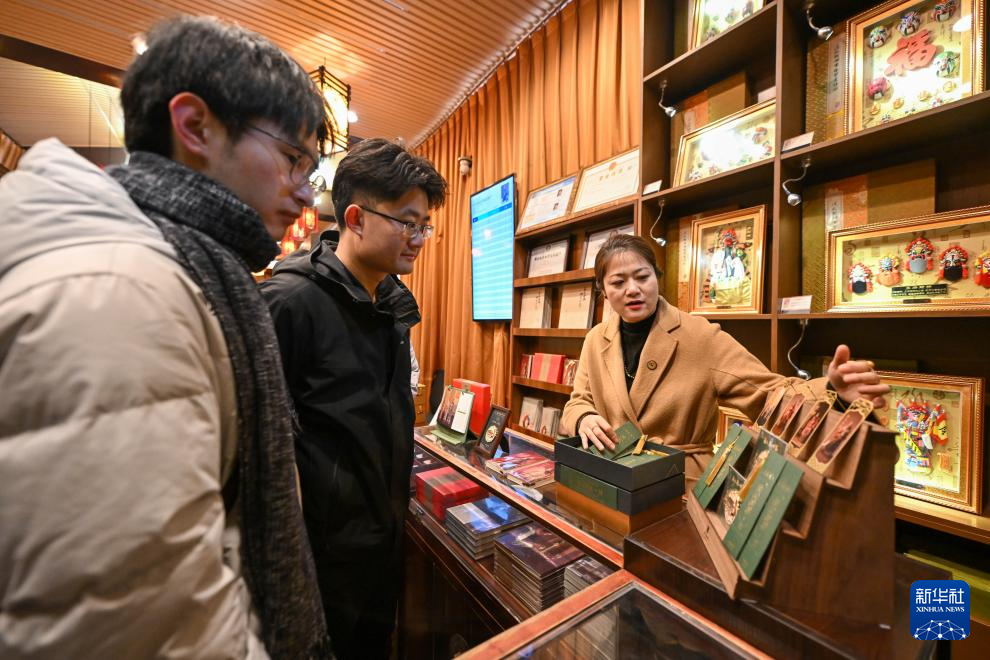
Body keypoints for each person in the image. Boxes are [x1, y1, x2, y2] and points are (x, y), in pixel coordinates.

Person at [0, 17, 330, 659]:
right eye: (294, 159)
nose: (304, 192)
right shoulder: (118, 288)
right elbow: (136, 624)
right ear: (195, 126)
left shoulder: (169, 264)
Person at [259, 138, 446, 659]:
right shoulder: (289, 303)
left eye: (425, 226)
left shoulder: (391, 304)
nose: (419, 238)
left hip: (382, 542)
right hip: (318, 561)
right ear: (356, 218)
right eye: (407, 223)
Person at [561, 234, 889, 483]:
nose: (632, 289)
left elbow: (769, 394)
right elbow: (578, 401)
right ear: (603, 290)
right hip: (612, 475)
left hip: (680, 484)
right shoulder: (595, 339)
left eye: (642, 277)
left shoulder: (699, 336)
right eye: (618, 282)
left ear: (656, 277)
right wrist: (583, 419)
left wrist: (832, 392)